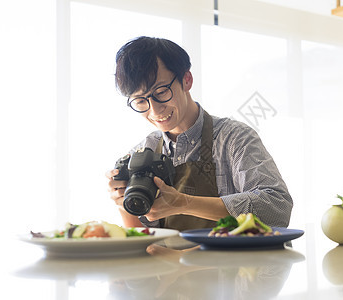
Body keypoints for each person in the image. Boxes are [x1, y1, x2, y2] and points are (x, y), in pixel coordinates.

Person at [106, 36, 293, 231]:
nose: (154, 111)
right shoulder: (142, 153)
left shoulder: (234, 138)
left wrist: (183, 203)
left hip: (231, 261)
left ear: (187, 80)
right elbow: (144, 238)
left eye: (161, 92)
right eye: (140, 101)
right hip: (166, 261)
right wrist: (123, 205)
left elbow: (278, 207)